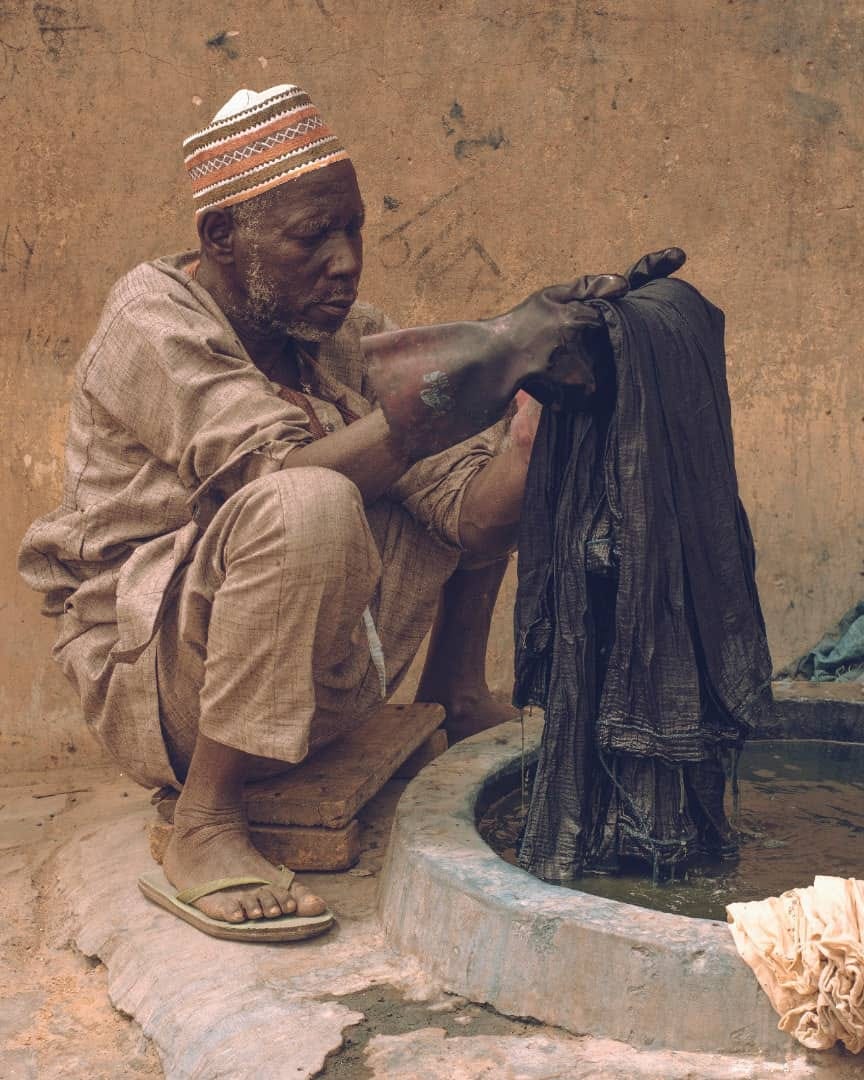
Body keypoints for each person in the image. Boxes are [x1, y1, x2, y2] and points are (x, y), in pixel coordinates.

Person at [18, 83, 682, 939]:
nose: (344, 260)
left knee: (454, 440)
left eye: (354, 229)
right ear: (221, 236)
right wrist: (472, 368)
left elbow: (470, 516)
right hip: (161, 687)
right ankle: (208, 820)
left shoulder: (336, 333)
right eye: (310, 237)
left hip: (312, 675)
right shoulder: (151, 322)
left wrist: (528, 421)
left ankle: (452, 689)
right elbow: (280, 476)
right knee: (315, 495)